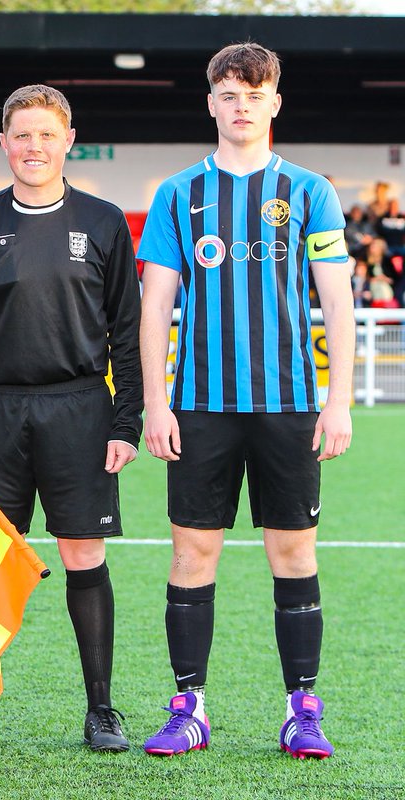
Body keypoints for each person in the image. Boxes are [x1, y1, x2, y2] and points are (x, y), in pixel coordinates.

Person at [138, 42, 354, 760]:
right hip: (199, 404)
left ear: (274, 104)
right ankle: (188, 705)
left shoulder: (311, 191)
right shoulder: (178, 194)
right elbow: (156, 307)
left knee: (292, 554)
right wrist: (156, 403)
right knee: (192, 554)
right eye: (229, 94)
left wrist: (339, 401)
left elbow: (337, 303)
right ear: (211, 104)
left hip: (289, 403)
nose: (241, 106)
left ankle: (302, 709)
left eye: (254, 95)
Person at [0, 84, 142, 754]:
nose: (34, 147)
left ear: (68, 141)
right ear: (3, 143)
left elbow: (128, 332)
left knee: (84, 554)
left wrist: (125, 421)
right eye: (21, 135)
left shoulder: (105, 221)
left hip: (81, 409)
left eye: (46, 135)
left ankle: (102, 708)